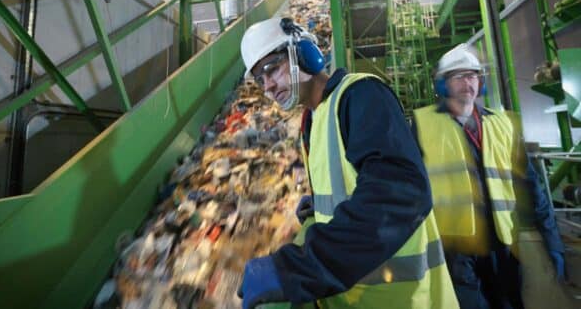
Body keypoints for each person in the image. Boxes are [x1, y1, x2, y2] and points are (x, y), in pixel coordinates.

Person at [237, 17, 458, 309]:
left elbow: (398, 195)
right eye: (259, 79)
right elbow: (355, 184)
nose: (267, 87)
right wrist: (321, 208)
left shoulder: (361, 96)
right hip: (353, 298)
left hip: (401, 299)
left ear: (304, 54)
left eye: (272, 69)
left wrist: (298, 268)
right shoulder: (313, 120)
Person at [412, 44, 565, 309]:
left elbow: (531, 185)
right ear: (443, 83)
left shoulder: (501, 124)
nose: (467, 82)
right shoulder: (422, 125)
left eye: (472, 75)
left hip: (502, 244)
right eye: (458, 76)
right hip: (454, 248)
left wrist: (552, 240)